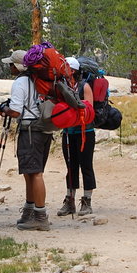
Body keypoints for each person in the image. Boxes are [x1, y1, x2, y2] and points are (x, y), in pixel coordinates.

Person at [0, 49, 52, 231]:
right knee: (31, 172)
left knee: (35, 173)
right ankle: (30, 211)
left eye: (11, 64)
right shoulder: (38, 80)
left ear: (18, 66)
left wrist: (3, 109)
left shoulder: (20, 82)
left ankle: (40, 216)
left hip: (29, 131)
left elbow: (16, 111)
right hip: (43, 129)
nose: (10, 66)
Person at [57, 57, 97, 217]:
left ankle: (87, 201)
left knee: (86, 165)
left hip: (85, 132)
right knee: (70, 166)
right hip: (68, 132)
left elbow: (90, 111)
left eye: (65, 68)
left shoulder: (84, 87)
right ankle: (70, 200)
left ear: (72, 70)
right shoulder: (61, 87)